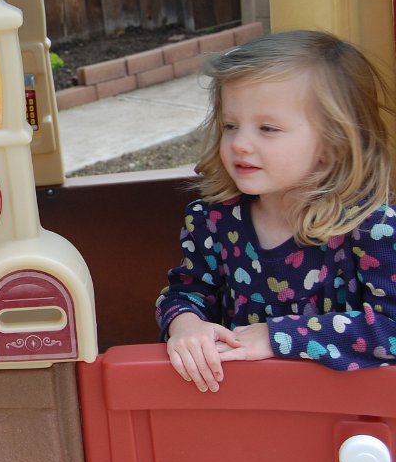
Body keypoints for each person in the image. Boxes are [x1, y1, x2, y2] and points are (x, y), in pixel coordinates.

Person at [155, 30, 396, 392]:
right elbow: (185, 293)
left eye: (267, 128)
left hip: (337, 411)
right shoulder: (212, 220)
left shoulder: (371, 229)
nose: (240, 143)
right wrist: (186, 324)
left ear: (332, 144)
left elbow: (391, 329)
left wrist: (278, 336)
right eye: (230, 126)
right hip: (241, 403)